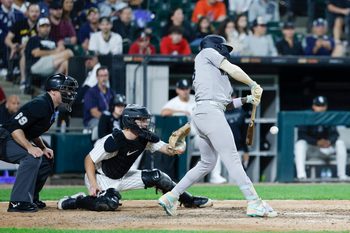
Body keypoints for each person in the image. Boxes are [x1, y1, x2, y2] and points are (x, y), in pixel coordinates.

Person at [158, 35, 277, 217]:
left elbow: (225, 104)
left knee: (207, 163)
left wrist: (247, 99)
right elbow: (232, 69)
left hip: (206, 113)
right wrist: (253, 84)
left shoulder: (213, 73)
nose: (225, 52)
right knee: (232, 158)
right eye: (223, 47)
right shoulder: (206, 53)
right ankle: (254, 202)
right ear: (215, 46)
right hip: (209, 114)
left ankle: (171, 197)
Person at [57, 104, 212, 211]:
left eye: (146, 120)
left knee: (159, 177)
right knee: (109, 204)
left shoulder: (144, 137)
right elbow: (88, 160)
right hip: (101, 177)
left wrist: (176, 148)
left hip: (123, 176)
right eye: (142, 120)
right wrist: (92, 184)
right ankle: (76, 200)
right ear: (131, 121)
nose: (146, 123)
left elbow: (166, 148)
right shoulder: (114, 140)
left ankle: (188, 200)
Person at [0, 73, 78, 212]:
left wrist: (42, 147)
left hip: (11, 136)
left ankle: (30, 197)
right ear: (53, 91)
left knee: (46, 159)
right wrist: (30, 148)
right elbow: (15, 128)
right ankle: (18, 202)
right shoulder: (40, 104)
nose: (68, 92)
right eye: (64, 89)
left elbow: (32, 132)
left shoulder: (50, 107)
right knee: (31, 157)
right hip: (4, 137)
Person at [294, 96, 349, 180]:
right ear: (313, 106)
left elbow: (335, 134)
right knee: (300, 144)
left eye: (323, 106)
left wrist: (329, 141)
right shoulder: (307, 116)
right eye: (318, 105)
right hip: (312, 149)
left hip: (326, 149)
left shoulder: (329, 116)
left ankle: (342, 175)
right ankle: (301, 175)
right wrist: (316, 142)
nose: (321, 108)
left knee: (340, 143)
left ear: (326, 107)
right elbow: (301, 134)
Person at [5, 3, 40, 88]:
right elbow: (7, 39)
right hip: (20, 50)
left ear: (39, 13)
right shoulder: (19, 24)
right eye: (32, 11)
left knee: (26, 48)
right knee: (24, 51)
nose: (34, 14)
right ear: (27, 12)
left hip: (37, 51)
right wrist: (12, 46)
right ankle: (23, 80)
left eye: (36, 11)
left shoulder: (42, 25)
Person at [83, 66, 114, 131]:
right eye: (101, 76)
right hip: (92, 120)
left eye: (105, 75)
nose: (104, 78)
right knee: (102, 125)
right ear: (97, 77)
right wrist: (108, 120)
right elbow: (94, 112)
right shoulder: (91, 92)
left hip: (108, 119)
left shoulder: (111, 92)